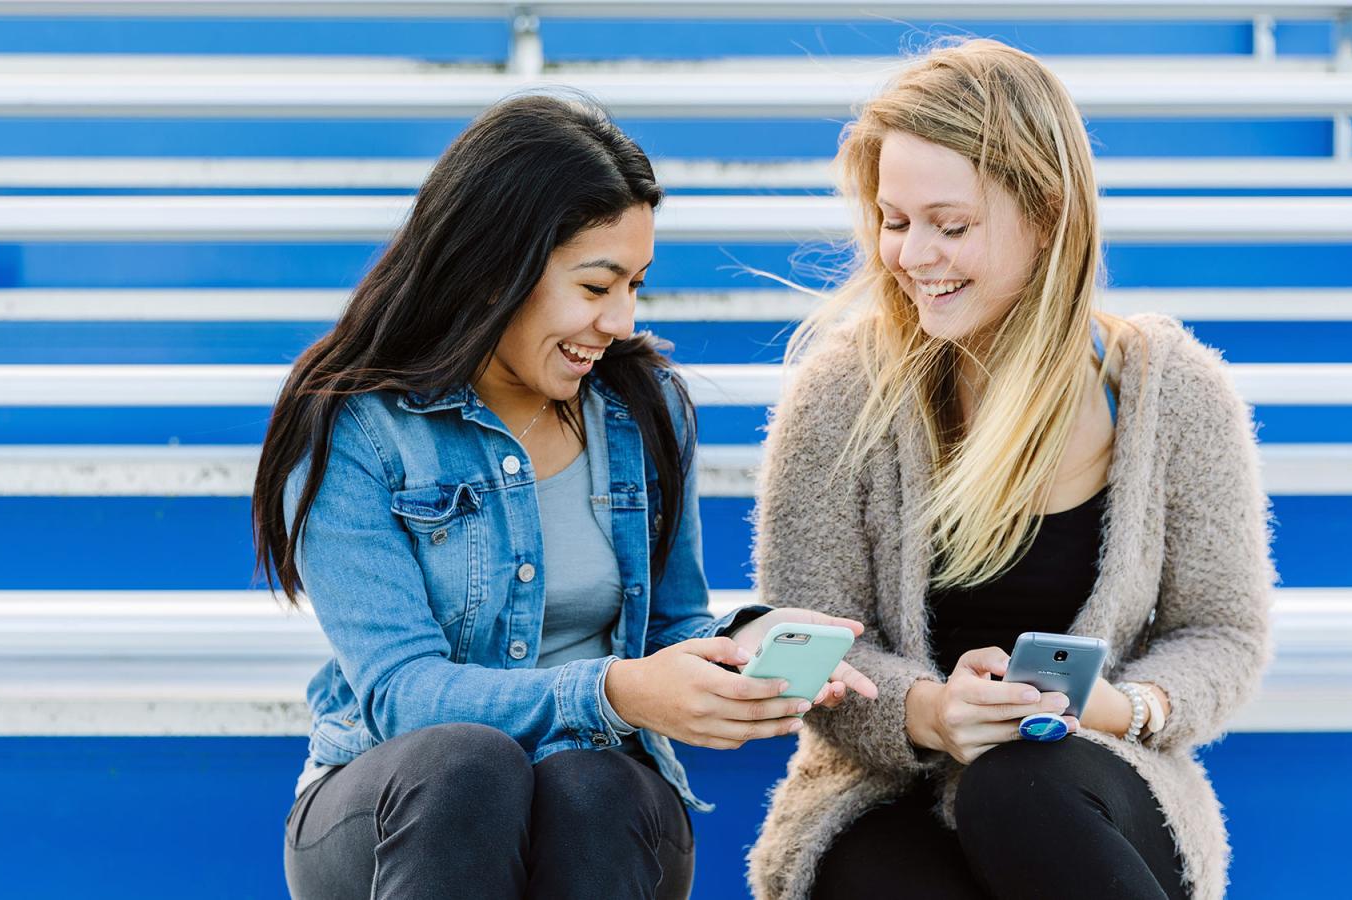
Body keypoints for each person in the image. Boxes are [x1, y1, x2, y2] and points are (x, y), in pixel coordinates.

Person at [251, 94, 876, 900]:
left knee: (593, 781)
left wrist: (744, 645)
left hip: (603, 814)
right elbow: (402, 695)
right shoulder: (357, 427)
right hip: (399, 809)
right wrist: (613, 691)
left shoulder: (644, 411)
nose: (620, 320)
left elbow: (671, 629)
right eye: (596, 286)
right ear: (491, 272)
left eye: (636, 285)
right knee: (467, 762)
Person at [745, 39, 1273, 900]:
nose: (913, 256)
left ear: (1046, 215)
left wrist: (1121, 708)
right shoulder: (840, 392)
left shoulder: (1175, 393)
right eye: (894, 220)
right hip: (885, 797)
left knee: (1019, 786)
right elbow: (813, 649)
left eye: (951, 226)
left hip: (1086, 788)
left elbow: (1222, 633)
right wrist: (928, 714)